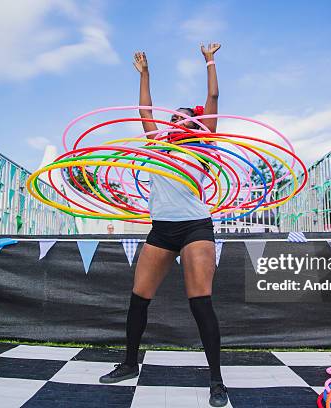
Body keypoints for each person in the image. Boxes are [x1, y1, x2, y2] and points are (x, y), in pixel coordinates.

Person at [99, 44, 229, 407]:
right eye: (173, 119)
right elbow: (144, 111)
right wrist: (145, 74)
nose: (176, 122)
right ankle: (129, 364)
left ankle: (216, 381)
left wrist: (209, 60)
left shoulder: (204, 145)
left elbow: (214, 95)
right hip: (161, 229)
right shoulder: (157, 146)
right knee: (138, 299)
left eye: (183, 118)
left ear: (196, 123)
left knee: (200, 302)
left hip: (195, 228)